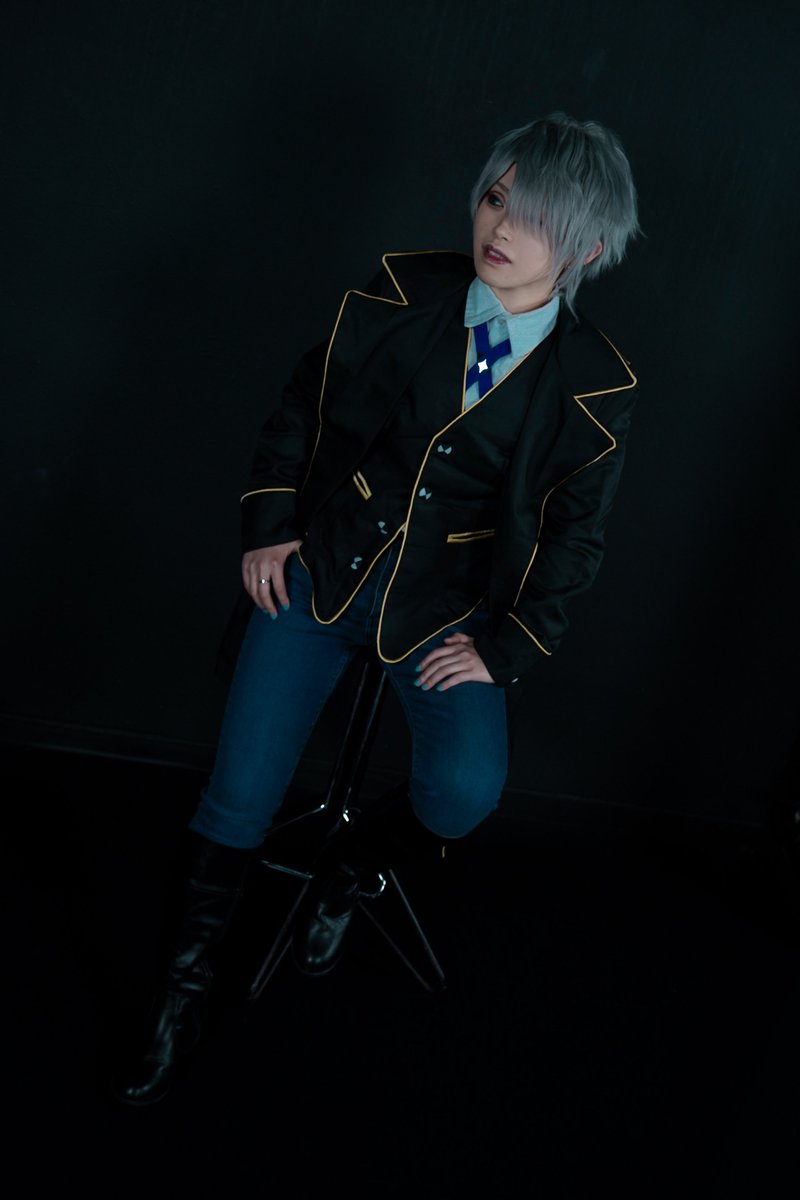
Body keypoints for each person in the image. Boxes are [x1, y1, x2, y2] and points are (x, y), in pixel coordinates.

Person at [112, 112, 640, 1106]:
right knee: (237, 796)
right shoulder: (404, 293)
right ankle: (178, 1002)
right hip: (323, 574)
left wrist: (507, 645)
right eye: (496, 197)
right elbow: (300, 410)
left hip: (445, 611)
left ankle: (350, 870)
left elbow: (575, 538)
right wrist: (270, 526)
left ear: (587, 249)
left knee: (463, 792)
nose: (500, 226)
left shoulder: (594, 385)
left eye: (533, 215)